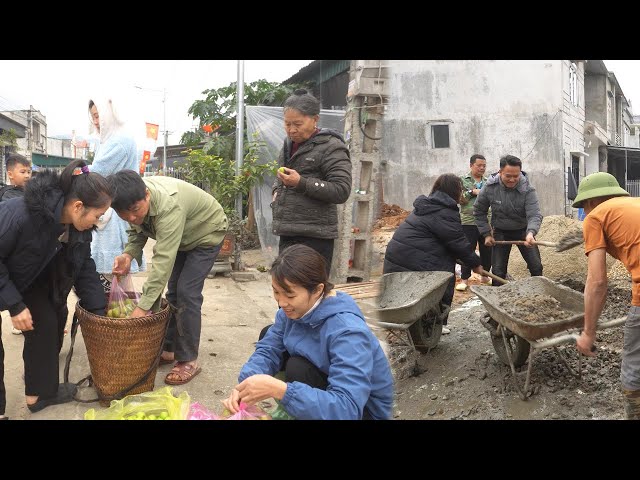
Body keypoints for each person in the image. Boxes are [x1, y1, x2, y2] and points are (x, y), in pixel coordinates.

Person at [222, 244, 393, 420]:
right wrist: (245, 385)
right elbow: (268, 349)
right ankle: (293, 409)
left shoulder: (348, 332)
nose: (281, 303)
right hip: (331, 390)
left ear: (318, 290)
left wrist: (281, 390)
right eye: (276, 292)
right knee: (268, 333)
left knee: (298, 368)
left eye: (290, 296)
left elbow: (347, 408)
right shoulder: (289, 313)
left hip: (360, 411)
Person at [0, 160, 111, 415]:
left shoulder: (77, 226)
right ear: (78, 206)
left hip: (30, 274)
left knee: (54, 317)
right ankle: (31, 397)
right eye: (98, 215)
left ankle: (42, 390)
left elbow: (83, 265)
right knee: (41, 323)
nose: (98, 221)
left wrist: (99, 312)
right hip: (8, 271)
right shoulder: (24, 215)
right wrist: (15, 305)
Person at [109, 171, 228, 386]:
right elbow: (137, 231)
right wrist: (128, 255)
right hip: (182, 237)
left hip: (206, 233)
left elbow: (163, 260)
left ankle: (188, 359)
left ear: (146, 195)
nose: (132, 218)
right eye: (125, 216)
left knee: (186, 293)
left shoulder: (168, 205)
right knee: (173, 292)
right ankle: (170, 349)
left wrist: (143, 307)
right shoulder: (131, 202)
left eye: (135, 211)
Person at [572, 172, 640, 419]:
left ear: (590, 202)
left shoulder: (596, 217)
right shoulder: (634, 205)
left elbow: (598, 281)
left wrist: (589, 332)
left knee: (634, 370)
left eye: (584, 208)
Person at [383, 173, 483, 333]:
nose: (461, 194)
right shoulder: (444, 212)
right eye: (460, 190)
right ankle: (436, 323)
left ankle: (425, 321)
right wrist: (476, 264)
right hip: (413, 261)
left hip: (397, 259)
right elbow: (458, 243)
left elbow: (448, 242)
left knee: (440, 264)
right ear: (454, 191)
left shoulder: (428, 206)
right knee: (444, 275)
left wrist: (469, 262)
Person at [271, 89, 352, 275]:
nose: (291, 130)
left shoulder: (332, 147)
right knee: (286, 287)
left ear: (315, 119)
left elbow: (342, 190)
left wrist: (301, 182)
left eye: (297, 124)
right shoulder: (289, 144)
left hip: (316, 236)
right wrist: (276, 190)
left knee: (310, 291)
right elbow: (281, 177)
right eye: (287, 124)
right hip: (288, 231)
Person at [87, 96, 145, 292]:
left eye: (98, 116)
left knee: (111, 276)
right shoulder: (112, 139)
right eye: (93, 117)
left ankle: (109, 321)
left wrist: (80, 172)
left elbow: (96, 174)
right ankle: (114, 319)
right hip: (114, 215)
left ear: (108, 115)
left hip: (113, 217)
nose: (96, 122)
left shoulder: (118, 141)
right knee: (117, 284)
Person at [474, 155, 543, 285]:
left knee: (536, 266)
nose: (512, 180)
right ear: (500, 172)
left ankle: (538, 296)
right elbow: (478, 211)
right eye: (508, 176)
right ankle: (497, 301)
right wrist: (487, 234)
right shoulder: (490, 188)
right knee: (498, 271)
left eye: (516, 176)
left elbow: (534, 214)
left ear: (520, 173)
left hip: (523, 230)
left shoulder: (528, 189)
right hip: (501, 232)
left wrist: (531, 233)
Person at [0, 153, 33, 335]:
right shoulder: (7, 196)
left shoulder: (30, 193)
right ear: (10, 174)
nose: (27, 175)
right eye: (23, 171)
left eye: (29, 171)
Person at [457, 153, 492, 291]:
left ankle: (484, 276)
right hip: (468, 221)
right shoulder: (462, 180)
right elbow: (459, 199)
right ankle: (464, 279)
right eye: (479, 165)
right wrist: (472, 191)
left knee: (487, 250)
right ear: (471, 165)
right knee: (467, 250)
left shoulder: (488, 181)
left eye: (484, 165)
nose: (482, 168)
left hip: (485, 221)